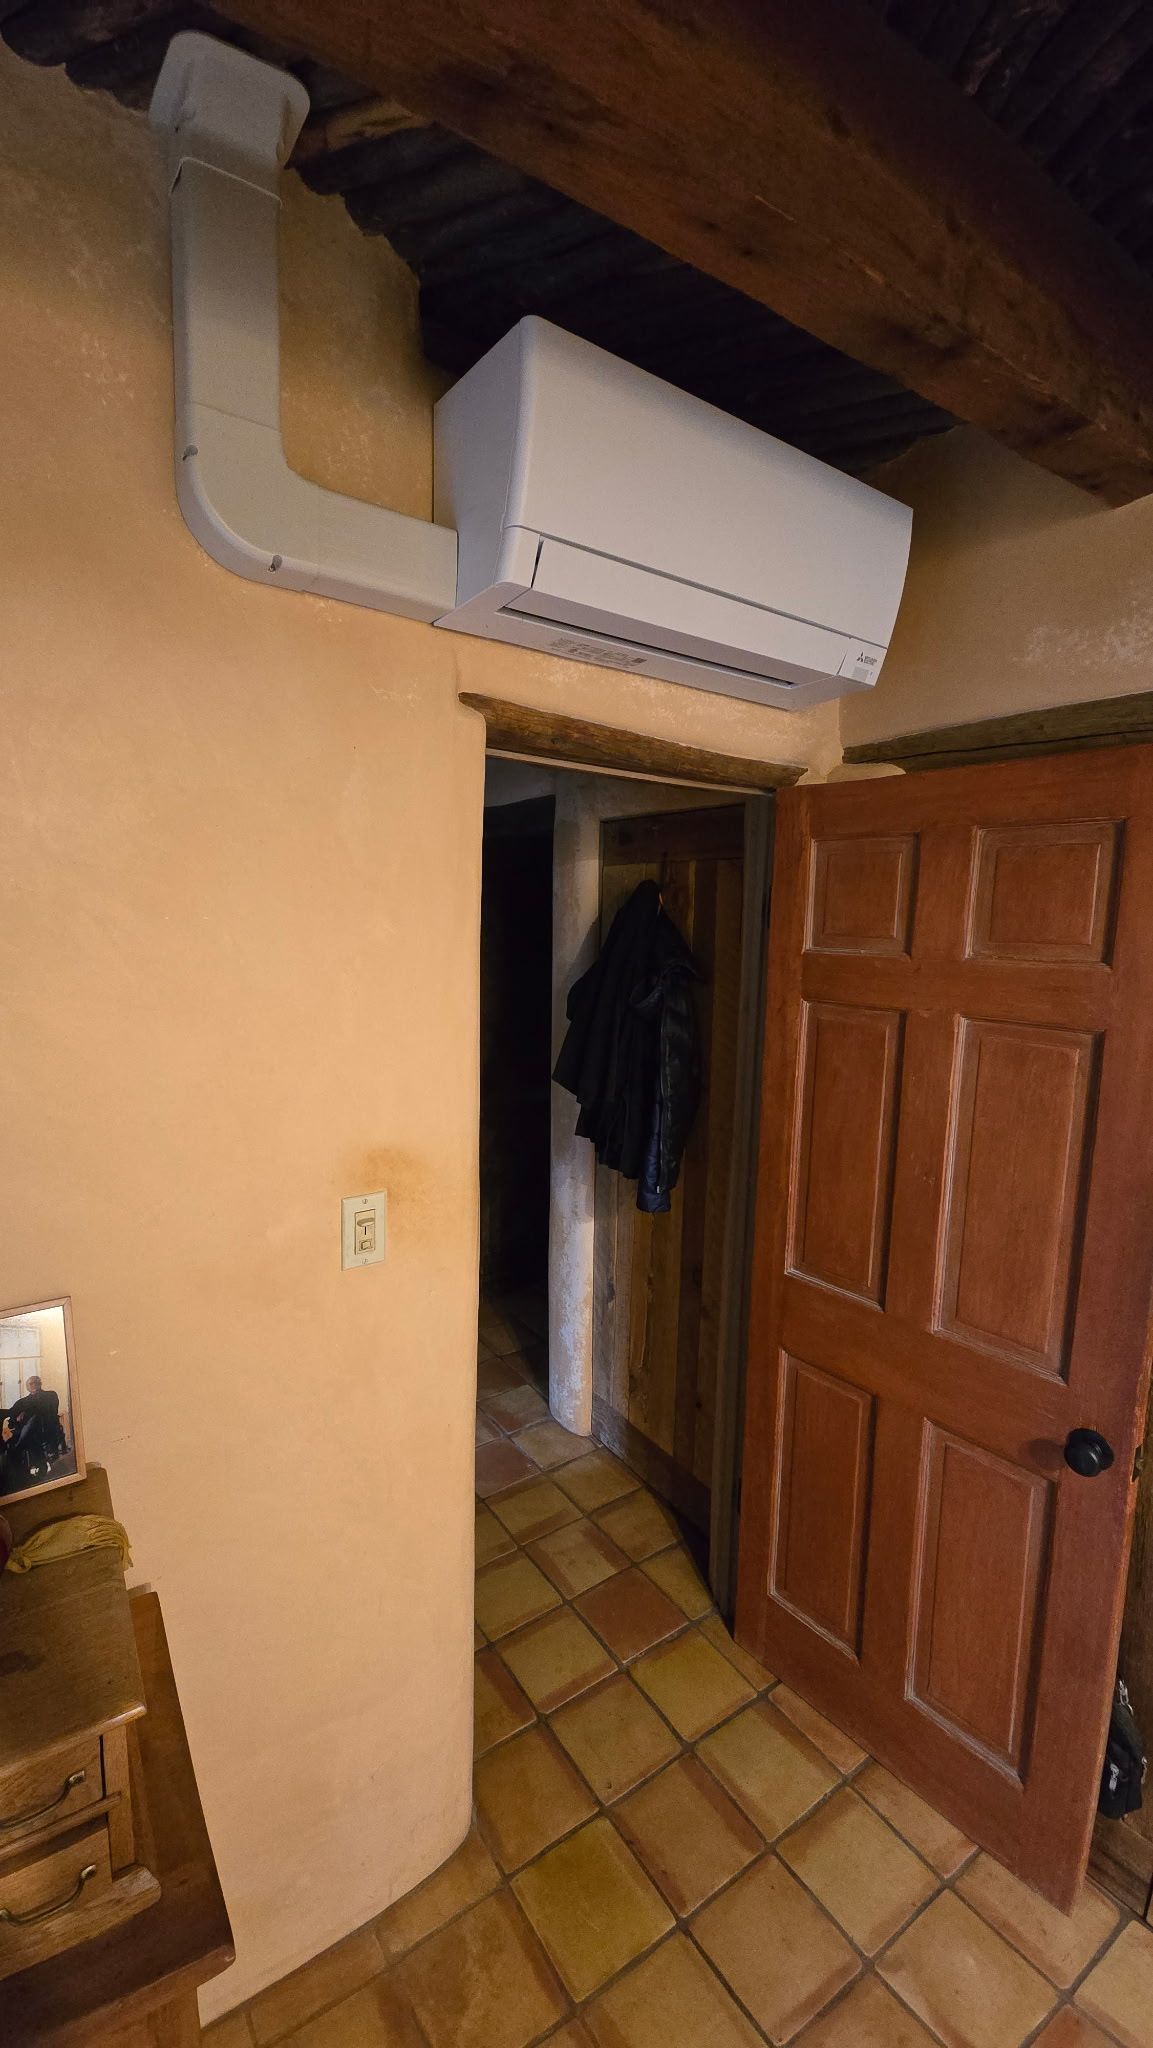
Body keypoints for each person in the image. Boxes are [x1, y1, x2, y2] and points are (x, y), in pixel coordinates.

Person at [0, 1375, 66, 1492]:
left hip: (47, 1430)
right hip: (31, 1435)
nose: (35, 1385)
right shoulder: (23, 1401)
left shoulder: (51, 1395)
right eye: (31, 1384)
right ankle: (17, 1475)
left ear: (41, 1383)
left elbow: (49, 1410)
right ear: (27, 1387)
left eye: (37, 1382)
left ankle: (18, 1448)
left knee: (35, 1418)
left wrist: (25, 1413)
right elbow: (11, 1413)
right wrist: (16, 1417)